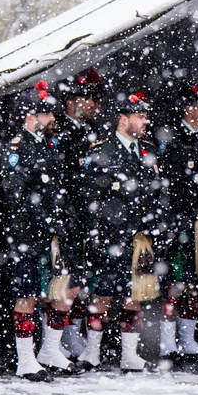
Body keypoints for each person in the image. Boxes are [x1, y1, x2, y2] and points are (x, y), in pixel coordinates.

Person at [75, 91, 165, 373]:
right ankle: (92, 351)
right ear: (123, 119)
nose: (146, 121)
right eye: (140, 116)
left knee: (134, 296)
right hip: (111, 235)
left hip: (140, 237)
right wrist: (94, 234)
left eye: (146, 116)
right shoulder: (101, 151)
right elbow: (89, 198)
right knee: (102, 296)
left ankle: (129, 355)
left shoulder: (148, 150)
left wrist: (157, 226)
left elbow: (157, 192)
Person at [0, 81, 83, 381]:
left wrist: (67, 217)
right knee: (28, 296)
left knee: (66, 291)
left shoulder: (46, 144)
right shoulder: (17, 147)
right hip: (28, 236)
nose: (52, 119)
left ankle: (49, 351)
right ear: (30, 116)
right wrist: (45, 220)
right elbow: (16, 195)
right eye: (47, 114)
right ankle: (25, 361)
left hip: (53, 235)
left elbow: (56, 189)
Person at [156, 81, 198, 370]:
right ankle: (167, 342)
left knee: (194, 282)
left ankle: (187, 338)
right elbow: (167, 185)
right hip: (178, 221)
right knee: (175, 282)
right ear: (189, 109)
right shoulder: (172, 139)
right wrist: (173, 219)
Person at [52, 69, 104, 358]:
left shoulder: (92, 132)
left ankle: (72, 331)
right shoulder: (58, 131)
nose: (94, 105)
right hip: (66, 215)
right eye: (88, 99)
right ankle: (57, 337)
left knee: (83, 280)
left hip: (86, 216)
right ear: (71, 101)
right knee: (62, 282)